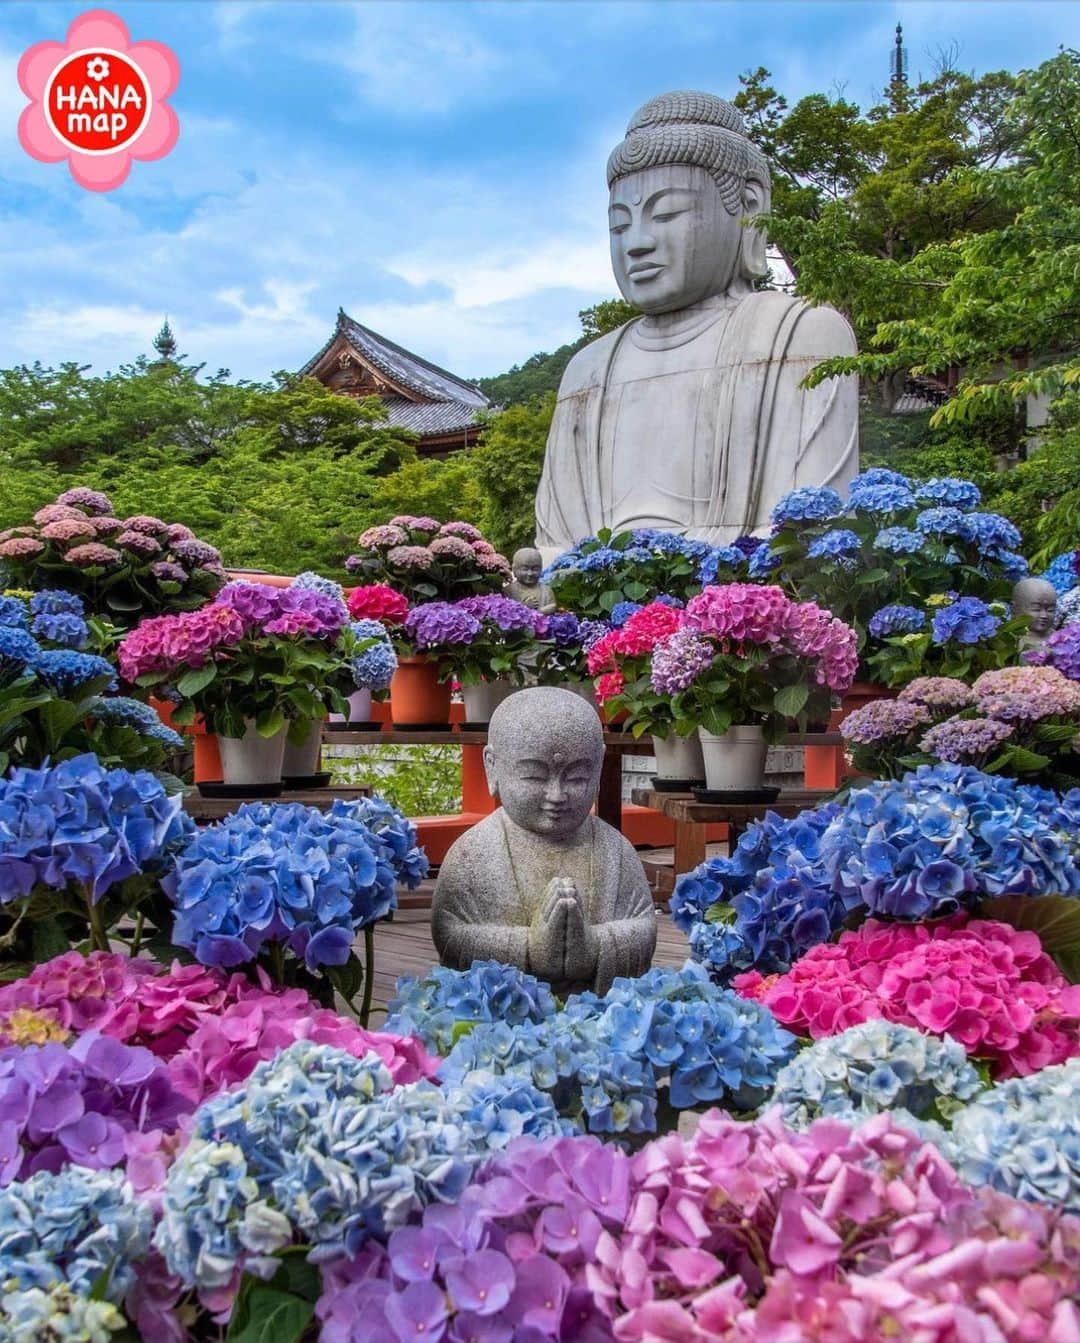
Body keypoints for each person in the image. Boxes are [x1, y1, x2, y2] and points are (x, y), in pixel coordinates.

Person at [534, 90, 858, 556]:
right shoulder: (588, 369)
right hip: (595, 621)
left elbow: (817, 540)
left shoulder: (801, 336)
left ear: (748, 206)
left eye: (665, 213)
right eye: (619, 225)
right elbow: (553, 551)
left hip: (737, 618)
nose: (637, 243)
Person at [432, 687, 657, 995]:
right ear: (492, 766)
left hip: (602, 1017)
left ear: (599, 767)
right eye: (534, 777)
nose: (557, 795)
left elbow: (644, 928)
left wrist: (593, 946)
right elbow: (448, 935)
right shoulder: (472, 854)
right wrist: (528, 948)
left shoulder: (615, 852)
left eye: (577, 777)